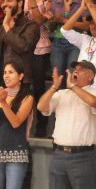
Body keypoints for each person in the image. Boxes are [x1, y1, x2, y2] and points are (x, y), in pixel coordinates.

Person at [37, 61, 96, 189]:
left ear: (90, 76)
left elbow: (93, 102)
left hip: (83, 157)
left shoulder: (92, 92)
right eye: (75, 69)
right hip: (59, 155)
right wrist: (54, 87)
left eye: (80, 69)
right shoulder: (61, 94)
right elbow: (41, 106)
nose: (75, 71)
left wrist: (74, 87)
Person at [0, 61, 34, 189]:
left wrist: (4, 103)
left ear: (21, 76)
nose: (6, 76)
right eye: (5, 73)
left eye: (11, 72)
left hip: (16, 150)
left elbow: (16, 122)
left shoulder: (27, 97)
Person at [22, 0, 56, 137]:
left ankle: (41, 126)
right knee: (23, 86)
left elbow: (37, 21)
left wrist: (32, 1)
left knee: (39, 87)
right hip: (23, 47)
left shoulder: (49, 0)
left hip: (40, 48)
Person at [50, 0, 89, 87]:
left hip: (75, 43)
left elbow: (86, 26)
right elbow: (52, 25)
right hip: (57, 42)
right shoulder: (55, 0)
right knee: (57, 79)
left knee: (72, 78)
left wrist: (64, 21)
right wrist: (49, 18)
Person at [61, 0, 96, 86]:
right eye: (91, 23)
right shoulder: (85, 39)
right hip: (80, 87)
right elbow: (65, 30)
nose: (93, 26)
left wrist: (90, 4)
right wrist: (81, 9)